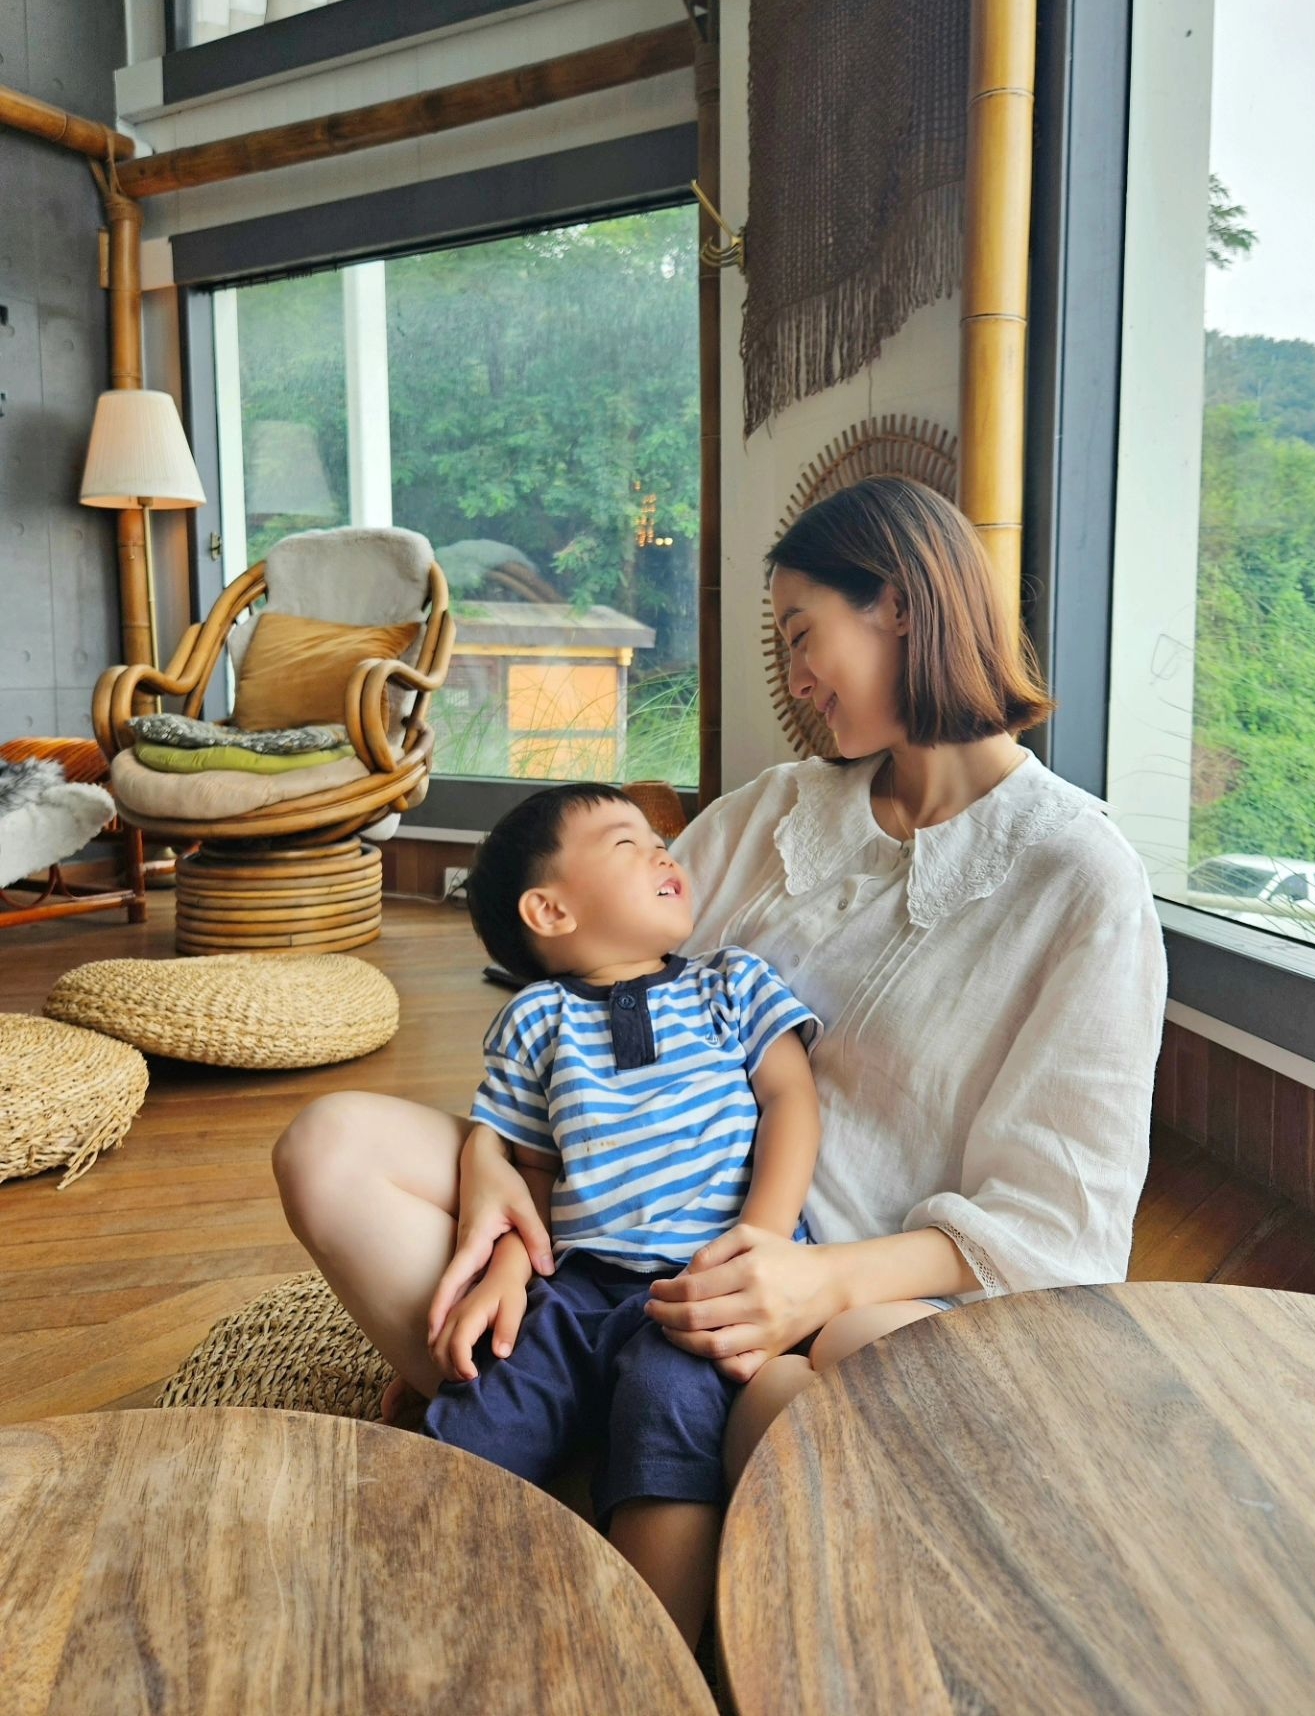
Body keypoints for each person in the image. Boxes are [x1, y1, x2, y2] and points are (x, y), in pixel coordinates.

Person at [273, 474, 1165, 1618]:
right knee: (331, 1145)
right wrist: (503, 1182)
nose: (793, 679)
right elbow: (593, 991)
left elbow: (1061, 1229)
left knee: (872, 1365)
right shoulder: (774, 813)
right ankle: (574, 1421)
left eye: (801, 634)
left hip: (844, 1300)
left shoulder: (1081, 880)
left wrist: (814, 1278)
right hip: (622, 1243)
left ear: (897, 606)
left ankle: (638, 1485)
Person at [282, 781, 821, 1647]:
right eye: (626, 843)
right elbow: (530, 1171)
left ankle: (646, 1660)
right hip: (577, 1286)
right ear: (551, 910)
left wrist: (761, 1235)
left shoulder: (731, 983)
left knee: (668, 1420)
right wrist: (506, 1272)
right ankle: (409, 1627)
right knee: (484, 1407)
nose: (662, 852)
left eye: (659, 840)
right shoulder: (534, 1021)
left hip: (701, 1287)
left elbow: (791, 1099)